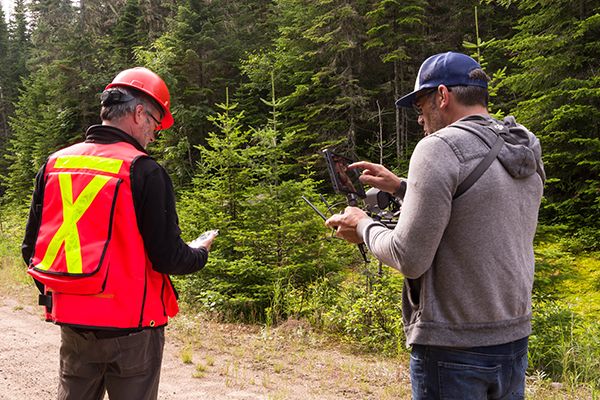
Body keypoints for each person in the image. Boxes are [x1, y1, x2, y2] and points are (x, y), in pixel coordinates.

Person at [325, 52, 545, 399]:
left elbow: (408, 256)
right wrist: (401, 187)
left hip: (452, 349)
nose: (419, 119)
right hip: (513, 340)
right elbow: (480, 209)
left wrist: (363, 225)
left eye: (420, 105)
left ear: (443, 96)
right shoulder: (522, 144)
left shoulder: (438, 148)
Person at [21, 67, 217, 400]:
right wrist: (200, 252)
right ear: (139, 113)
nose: (154, 134)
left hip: (73, 325)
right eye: (155, 123)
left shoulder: (54, 165)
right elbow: (168, 256)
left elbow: (30, 250)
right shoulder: (144, 170)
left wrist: (63, 294)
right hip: (132, 331)